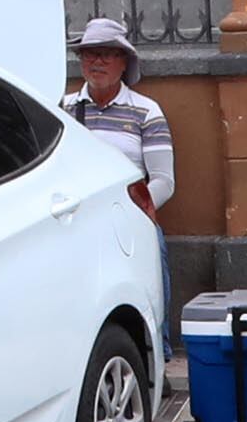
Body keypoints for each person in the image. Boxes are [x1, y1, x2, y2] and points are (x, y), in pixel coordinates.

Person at [60, 20, 176, 343]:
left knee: (149, 276)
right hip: (77, 222)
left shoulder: (146, 112)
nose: (97, 62)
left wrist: (130, 212)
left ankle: (158, 351)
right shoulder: (63, 109)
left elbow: (164, 181)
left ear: (124, 63)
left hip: (130, 219)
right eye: (90, 54)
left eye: (107, 54)